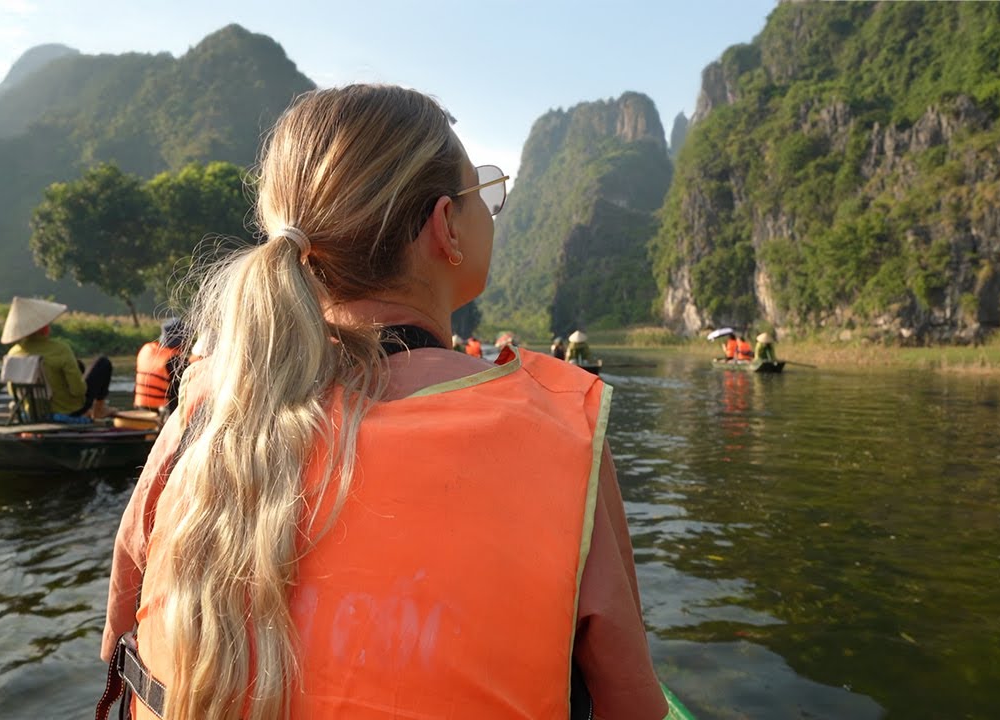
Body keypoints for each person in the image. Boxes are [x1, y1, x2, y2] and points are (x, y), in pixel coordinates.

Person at [98, 85, 666, 720]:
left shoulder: (201, 417)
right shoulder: (564, 432)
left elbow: (120, 635)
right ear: (446, 225)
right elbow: (633, 708)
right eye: (484, 194)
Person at [1, 297, 115, 419]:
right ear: (44, 328)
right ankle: (99, 409)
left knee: (78, 365)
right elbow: (78, 391)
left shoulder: (13, 353)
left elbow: (12, 391)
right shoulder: (60, 349)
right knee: (102, 363)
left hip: (32, 411)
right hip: (69, 410)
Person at [133, 318, 187, 414]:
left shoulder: (146, 349)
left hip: (140, 409)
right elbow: (179, 396)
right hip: (162, 413)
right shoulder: (176, 361)